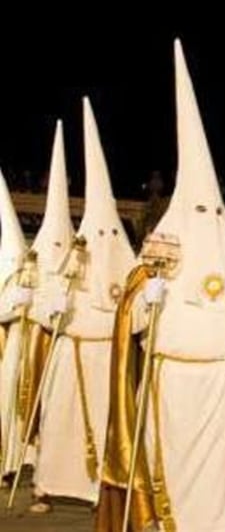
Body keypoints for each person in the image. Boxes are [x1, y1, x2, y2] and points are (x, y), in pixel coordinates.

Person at [94, 40, 225, 532]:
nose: (202, 218)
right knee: (167, 460)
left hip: (219, 385)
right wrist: (146, 300)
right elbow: (132, 327)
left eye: (209, 209)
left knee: (218, 472)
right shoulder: (159, 253)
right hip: (167, 381)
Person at [29, 100, 135, 513]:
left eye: (112, 231)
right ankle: (46, 483)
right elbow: (43, 313)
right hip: (69, 351)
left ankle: (98, 487)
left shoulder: (127, 270)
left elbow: (139, 319)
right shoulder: (72, 261)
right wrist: (58, 293)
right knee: (61, 418)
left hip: (105, 358)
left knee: (106, 421)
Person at [0, 122, 73, 485]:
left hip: (48, 345)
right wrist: (15, 304)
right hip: (15, 344)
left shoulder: (71, 266)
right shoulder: (24, 264)